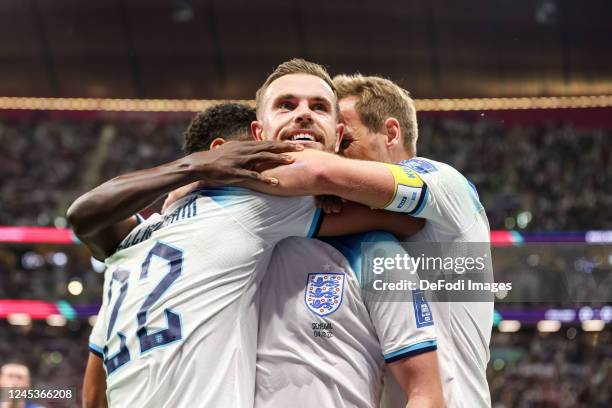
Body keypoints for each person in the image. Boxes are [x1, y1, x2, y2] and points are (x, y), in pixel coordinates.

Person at [69, 98, 434, 408]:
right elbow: (407, 218)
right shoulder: (248, 205)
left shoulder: (133, 242)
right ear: (220, 155)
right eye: (264, 154)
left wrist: (186, 173)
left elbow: (92, 394)